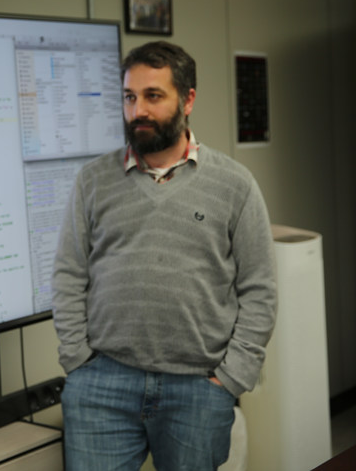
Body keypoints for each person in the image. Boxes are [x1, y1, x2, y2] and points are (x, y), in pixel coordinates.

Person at [52, 41, 276, 471]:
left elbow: (260, 289)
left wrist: (229, 379)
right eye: (129, 97)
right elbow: (67, 275)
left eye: (153, 96)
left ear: (187, 99)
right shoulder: (92, 181)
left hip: (197, 388)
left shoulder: (235, 184)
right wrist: (77, 362)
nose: (138, 110)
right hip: (103, 385)